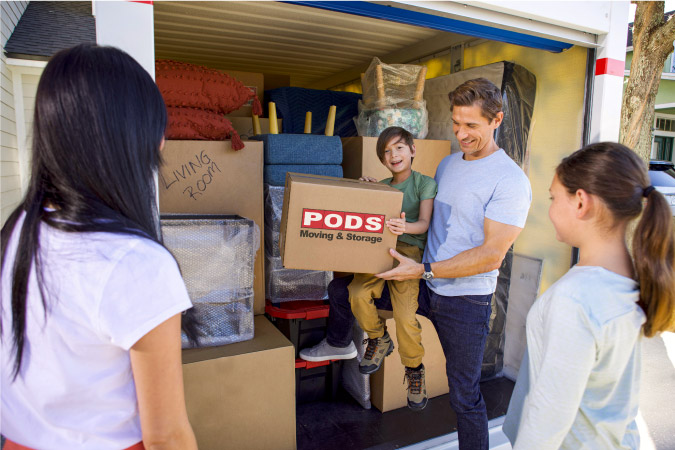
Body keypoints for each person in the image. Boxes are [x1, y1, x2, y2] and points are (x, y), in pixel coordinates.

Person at [300, 77, 532, 450]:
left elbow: (492, 255)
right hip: (423, 282)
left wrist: (422, 270)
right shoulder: (448, 164)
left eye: (471, 125)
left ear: (497, 120)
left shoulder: (510, 181)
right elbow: (411, 212)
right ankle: (342, 343)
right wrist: (374, 193)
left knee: (464, 396)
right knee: (340, 291)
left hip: (465, 300)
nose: (461, 133)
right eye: (457, 123)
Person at [0, 45, 198, 450]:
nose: (160, 146)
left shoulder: (19, 229)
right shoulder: (134, 263)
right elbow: (167, 436)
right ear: (127, 141)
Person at [502, 142, 675, 449]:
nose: (550, 208)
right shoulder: (627, 284)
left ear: (580, 202)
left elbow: (548, 418)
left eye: (554, 197)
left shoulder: (576, 299)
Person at [347, 126, 437, 411]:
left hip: (408, 254)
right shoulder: (383, 185)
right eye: (386, 151)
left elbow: (424, 223)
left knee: (405, 315)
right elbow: (369, 219)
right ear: (382, 160)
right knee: (357, 293)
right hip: (380, 249)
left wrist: (405, 226)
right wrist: (368, 190)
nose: (393, 154)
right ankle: (378, 338)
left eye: (399, 147)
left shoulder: (424, 183)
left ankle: (414, 370)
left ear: (412, 150)